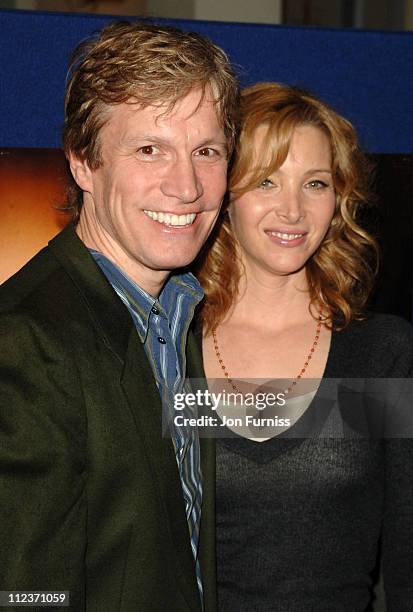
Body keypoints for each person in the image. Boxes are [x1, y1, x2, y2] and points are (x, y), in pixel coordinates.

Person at [0, 21, 238, 611]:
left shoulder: (179, 316)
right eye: (149, 149)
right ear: (83, 163)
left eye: (206, 151)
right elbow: (28, 592)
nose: (186, 186)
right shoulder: (26, 340)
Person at [197, 83, 413, 610]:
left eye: (314, 183)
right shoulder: (168, 345)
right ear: (225, 194)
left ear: (338, 200)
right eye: (267, 181)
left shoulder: (380, 353)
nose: (292, 210)